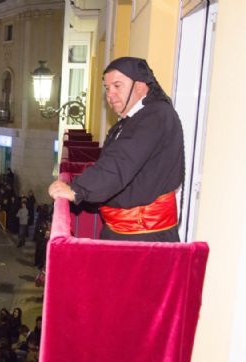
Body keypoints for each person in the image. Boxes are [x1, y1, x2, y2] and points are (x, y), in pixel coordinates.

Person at [48, 56, 184, 242]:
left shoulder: (156, 115)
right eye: (107, 88)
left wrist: (76, 190)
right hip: (125, 233)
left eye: (117, 86)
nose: (110, 94)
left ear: (140, 86)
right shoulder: (134, 119)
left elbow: (121, 162)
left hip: (144, 238)